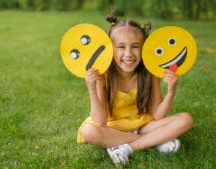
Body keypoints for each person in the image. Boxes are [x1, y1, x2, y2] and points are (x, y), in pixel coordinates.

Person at [77, 15, 194, 166]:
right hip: (112, 127)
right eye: (121, 47)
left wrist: (171, 91)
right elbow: (99, 121)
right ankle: (157, 140)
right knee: (89, 131)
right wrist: (92, 90)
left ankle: (125, 147)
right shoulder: (103, 75)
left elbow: (158, 115)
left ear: (144, 47)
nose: (128, 54)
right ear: (110, 49)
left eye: (135, 46)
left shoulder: (149, 73)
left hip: (142, 126)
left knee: (186, 119)